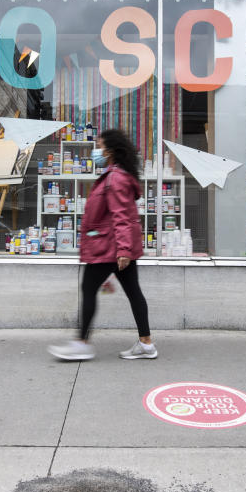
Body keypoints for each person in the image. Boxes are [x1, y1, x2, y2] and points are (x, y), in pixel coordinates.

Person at [48, 129, 156, 361]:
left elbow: (122, 217)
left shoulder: (115, 179)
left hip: (110, 247)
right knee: (133, 292)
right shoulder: (114, 175)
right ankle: (146, 344)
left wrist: (124, 250)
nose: (95, 150)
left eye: (98, 145)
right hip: (115, 247)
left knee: (89, 289)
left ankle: (82, 344)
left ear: (109, 151)